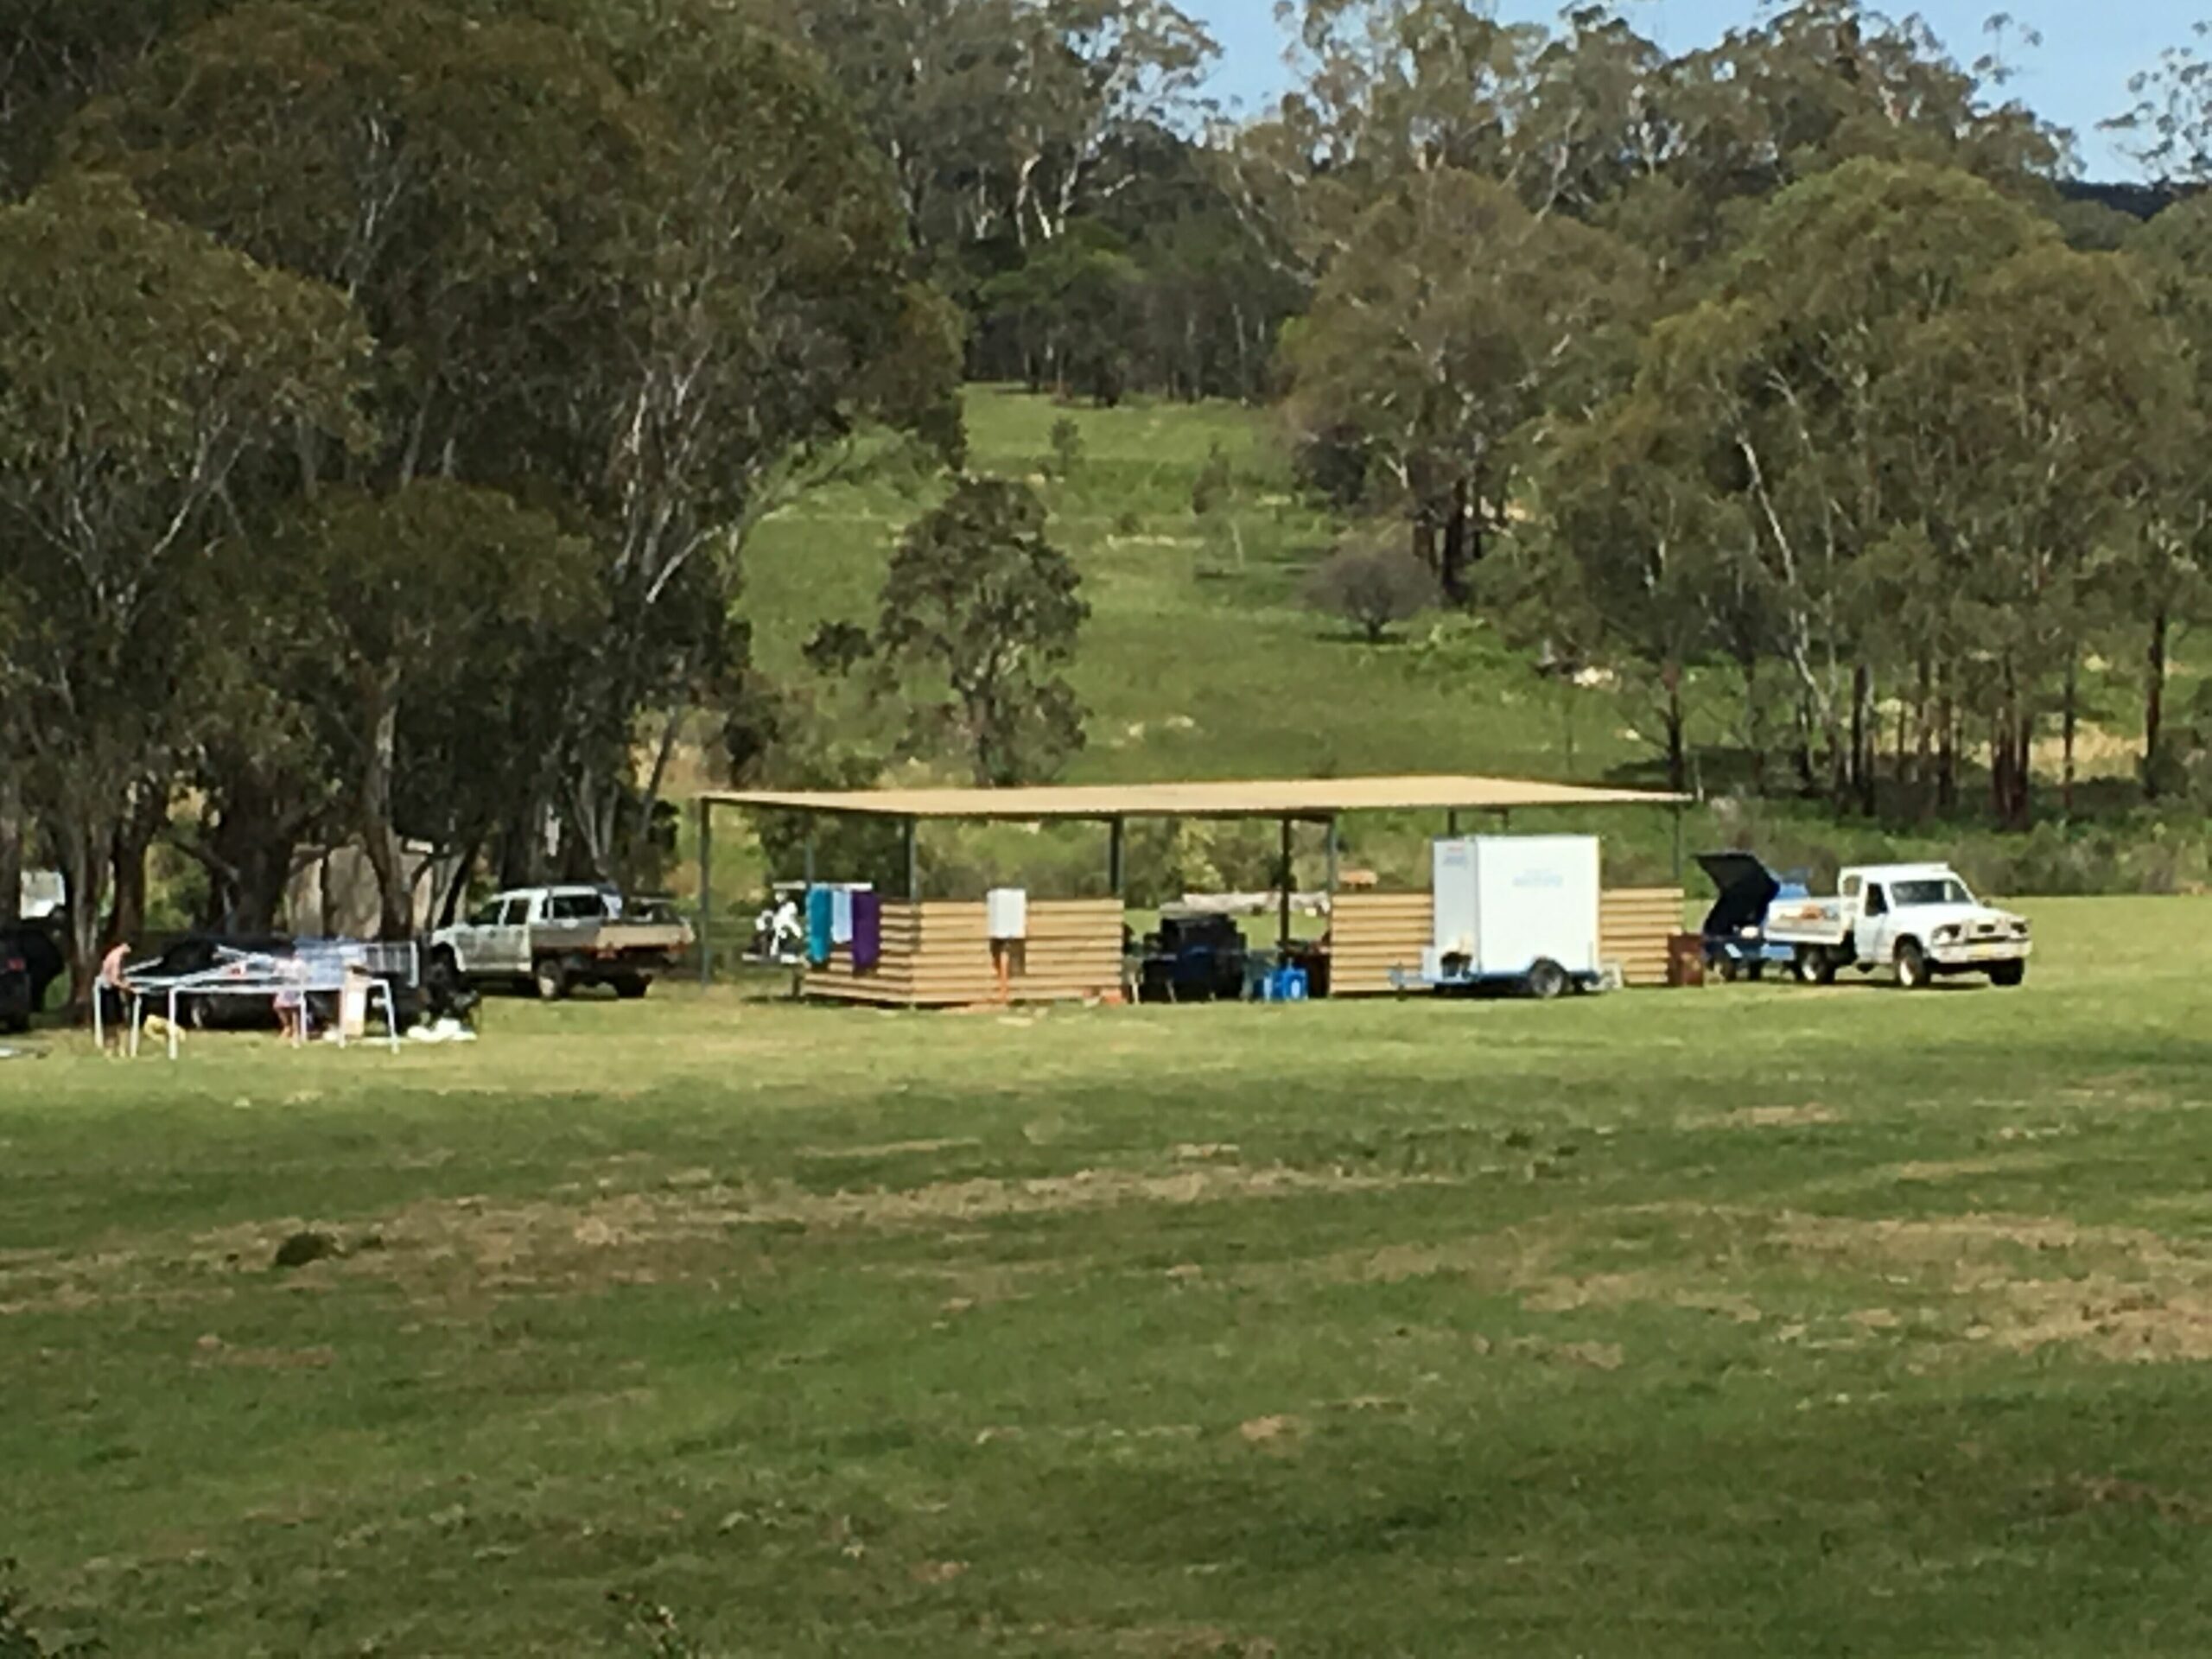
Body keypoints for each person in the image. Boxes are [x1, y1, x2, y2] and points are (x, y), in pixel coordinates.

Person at [99, 939, 134, 1052]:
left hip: (112, 989)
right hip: (108, 990)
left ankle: (120, 1048)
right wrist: (127, 988)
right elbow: (113, 979)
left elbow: (119, 975)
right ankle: (111, 1048)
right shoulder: (116, 958)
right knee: (112, 1021)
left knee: (119, 1020)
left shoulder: (117, 956)